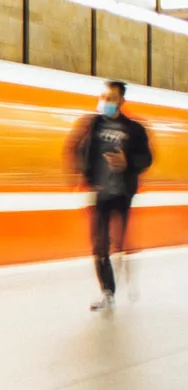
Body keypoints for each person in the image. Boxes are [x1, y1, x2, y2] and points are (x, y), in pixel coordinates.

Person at [67, 80, 152, 312]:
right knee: (100, 244)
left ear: (121, 100)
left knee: (120, 242)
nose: (106, 102)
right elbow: (77, 147)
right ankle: (107, 291)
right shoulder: (93, 124)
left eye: (111, 98)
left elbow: (146, 158)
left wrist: (127, 162)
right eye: (104, 97)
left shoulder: (135, 129)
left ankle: (125, 263)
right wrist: (80, 173)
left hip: (123, 193)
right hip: (101, 193)